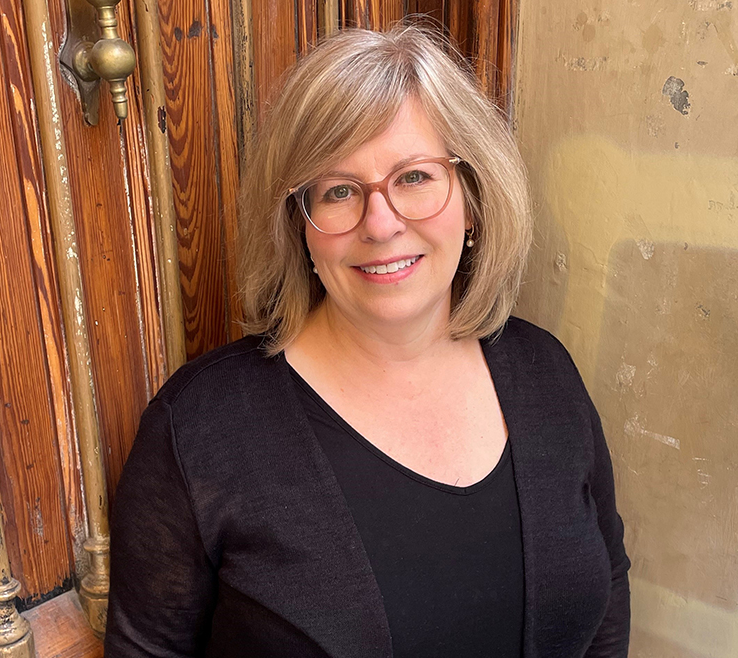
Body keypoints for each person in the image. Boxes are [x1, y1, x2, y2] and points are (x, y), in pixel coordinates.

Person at [104, 25, 630, 658]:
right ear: (298, 225)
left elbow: (605, 613)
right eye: (339, 190)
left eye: (413, 177)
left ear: (474, 197)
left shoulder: (545, 374)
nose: (380, 224)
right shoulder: (200, 431)